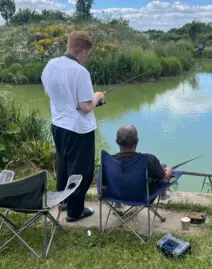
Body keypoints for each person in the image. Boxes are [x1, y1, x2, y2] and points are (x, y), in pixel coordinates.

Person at [41, 31, 105, 223]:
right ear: (84, 51)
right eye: (88, 53)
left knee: (63, 164)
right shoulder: (80, 72)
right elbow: (85, 106)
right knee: (81, 171)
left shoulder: (51, 65)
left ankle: (64, 201)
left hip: (58, 125)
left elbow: (50, 92)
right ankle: (75, 212)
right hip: (79, 130)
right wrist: (98, 97)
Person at [111, 125, 173, 213]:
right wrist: (169, 170)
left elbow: (102, 184)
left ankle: (117, 204)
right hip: (142, 197)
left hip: (116, 195)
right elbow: (164, 179)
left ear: (116, 141)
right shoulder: (149, 159)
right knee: (163, 167)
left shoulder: (110, 161)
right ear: (137, 140)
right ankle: (163, 197)